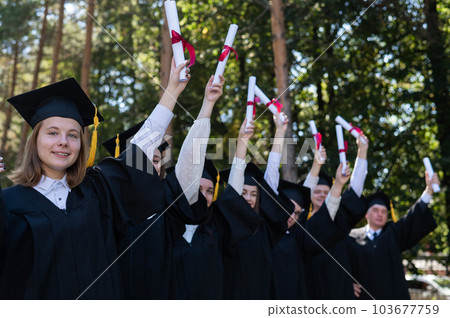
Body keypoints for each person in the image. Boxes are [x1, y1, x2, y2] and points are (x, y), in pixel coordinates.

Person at [0, 60, 190, 299]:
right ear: (34, 141)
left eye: (73, 135)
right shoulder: (9, 204)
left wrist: (171, 90)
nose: (63, 141)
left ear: (81, 145)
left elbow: (139, 150)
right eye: (52, 133)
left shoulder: (97, 191)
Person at [217, 118, 293, 299]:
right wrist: (243, 140)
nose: (249, 199)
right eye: (243, 193)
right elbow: (235, 178)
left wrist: (280, 132)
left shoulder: (265, 228)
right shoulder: (224, 226)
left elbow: (272, 176)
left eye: (254, 194)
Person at [349, 171, 439, 300]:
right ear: (366, 214)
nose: (380, 214)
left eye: (384, 211)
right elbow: (338, 265)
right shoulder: (351, 237)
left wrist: (429, 191)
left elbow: (411, 218)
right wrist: (347, 283)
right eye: (375, 210)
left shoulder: (394, 233)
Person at [303, 134, 369, 299]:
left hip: (338, 289)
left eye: (326, 192)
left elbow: (355, 188)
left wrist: (362, 150)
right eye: (317, 191)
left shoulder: (339, 217)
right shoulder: (300, 220)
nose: (322, 195)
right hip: (309, 288)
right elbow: (304, 192)